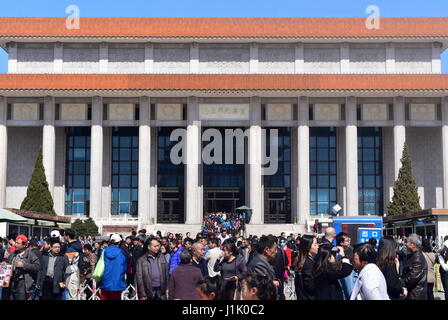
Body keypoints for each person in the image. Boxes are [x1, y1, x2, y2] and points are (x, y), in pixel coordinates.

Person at [4, 235, 40, 300]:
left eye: (18, 243)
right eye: (16, 242)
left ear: (24, 245)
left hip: (23, 283)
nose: (16, 245)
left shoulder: (30, 254)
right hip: (12, 282)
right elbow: (8, 262)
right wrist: (5, 264)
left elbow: (37, 267)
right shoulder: (13, 253)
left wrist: (24, 265)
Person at [99, 233, 128, 300]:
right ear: (119, 242)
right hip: (117, 282)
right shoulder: (122, 252)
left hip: (105, 281)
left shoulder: (103, 251)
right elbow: (125, 267)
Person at [402, 234, 427, 300]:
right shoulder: (412, 255)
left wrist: (398, 283)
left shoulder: (417, 259)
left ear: (413, 244)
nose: (405, 244)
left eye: (407, 242)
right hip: (411, 294)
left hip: (415, 295)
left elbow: (411, 279)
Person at [295, 234, 318, 300]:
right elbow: (310, 286)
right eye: (315, 244)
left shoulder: (307, 260)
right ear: (308, 247)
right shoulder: (308, 263)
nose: (317, 247)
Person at [63, 228, 83, 300]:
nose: (63, 237)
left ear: (67, 236)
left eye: (64, 235)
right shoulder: (78, 245)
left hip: (71, 275)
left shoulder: (71, 249)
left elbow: (67, 263)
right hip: (77, 273)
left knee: (71, 297)